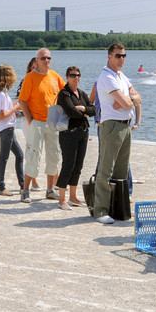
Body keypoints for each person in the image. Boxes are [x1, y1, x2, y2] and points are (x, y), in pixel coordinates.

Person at [91, 43, 143, 225]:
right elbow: (129, 104)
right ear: (109, 56)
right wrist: (127, 100)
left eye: (124, 55)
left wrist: (129, 98)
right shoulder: (106, 77)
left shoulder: (122, 76)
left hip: (126, 125)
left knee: (121, 170)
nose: (122, 59)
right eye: (118, 55)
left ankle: (118, 206)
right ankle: (100, 210)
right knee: (106, 168)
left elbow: (137, 98)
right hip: (112, 125)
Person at [19, 48, 65, 199]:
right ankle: (25, 190)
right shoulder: (30, 77)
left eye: (49, 58)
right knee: (33, 155)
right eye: (43, 58)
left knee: (54, 156)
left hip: (53, 123)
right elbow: (22, 100)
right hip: (37, 122)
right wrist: (30, 119)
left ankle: (50, 189)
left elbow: (66, 95)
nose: (47, 61)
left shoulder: (55, 76)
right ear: (36, 60)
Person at [55, 65, 96, 210]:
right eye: (72, 75)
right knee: (68, 165)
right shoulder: (64, 94)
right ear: (67, 77)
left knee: (78, 165)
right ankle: (62, 199)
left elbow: (94, 110)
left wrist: (84, 109)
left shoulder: (82, 93)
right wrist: (85, 113)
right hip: (68, 133)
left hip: (83, 132)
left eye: (78, 75)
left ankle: (73, 197)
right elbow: (71, 111)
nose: (76, 78)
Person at [0, 64, 27, 200]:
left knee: (19, 155)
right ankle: (1, 186)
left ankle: (22, 185)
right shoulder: (0, 95)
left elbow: (3, 113)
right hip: (6, 128)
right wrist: (16, 108)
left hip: (5, 128)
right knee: (4, 157)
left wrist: (13, 108)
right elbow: (1, 116)